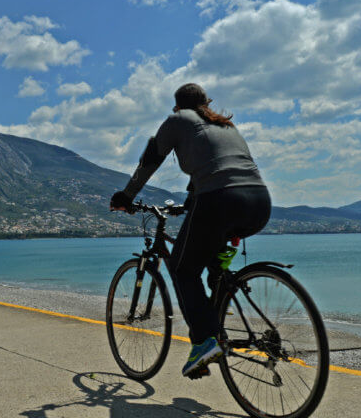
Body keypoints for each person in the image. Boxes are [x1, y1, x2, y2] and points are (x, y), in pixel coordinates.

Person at [110, 83, 271, 378]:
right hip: (259, 203)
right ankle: (220, 295)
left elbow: (150, 160)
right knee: (210, 261)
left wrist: (126, 196)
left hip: (220, 201)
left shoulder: (178, 120)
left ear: (177, 107)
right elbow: (217, 169)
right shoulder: (225, 125)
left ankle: (205, 342)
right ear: (206, 103)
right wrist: (190, 203)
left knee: (183, 270)